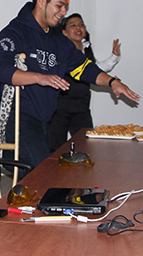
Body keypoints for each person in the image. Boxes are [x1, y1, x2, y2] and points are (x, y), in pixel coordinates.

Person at [0, 0, 140, 168]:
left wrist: (112, 82)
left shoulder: (58, 40)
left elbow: (85, 68)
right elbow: (0, 68)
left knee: (42, 174)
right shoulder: (16, 31)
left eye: (65, 7)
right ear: (41, 1)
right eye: (59, 6)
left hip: (44, 120)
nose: (64, 12)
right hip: (18, 117)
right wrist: (39, 77)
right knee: (41, 174)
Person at [48, 13, 122, 152]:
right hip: (61, 105)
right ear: (63, 32)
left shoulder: (86, 47)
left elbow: (93, 71)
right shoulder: (59, 50)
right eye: (73, 25)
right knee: (56, 147)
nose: (79, 28)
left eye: (81, 25)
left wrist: (114, 57)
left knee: (86, 145)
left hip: (81, 105)